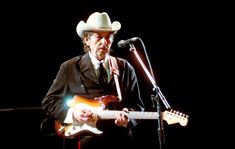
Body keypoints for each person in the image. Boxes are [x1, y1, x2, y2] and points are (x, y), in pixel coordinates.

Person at [42, 11, 145, 149]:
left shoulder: (125, 67)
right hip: (86, 141)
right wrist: (73, 114)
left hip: (121, 140)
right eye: (99, 37)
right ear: (87, 40)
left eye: (108, 37)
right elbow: (49, 102)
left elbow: (138, 105)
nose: (104, 42)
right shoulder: (70, 67)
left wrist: (128, 119)